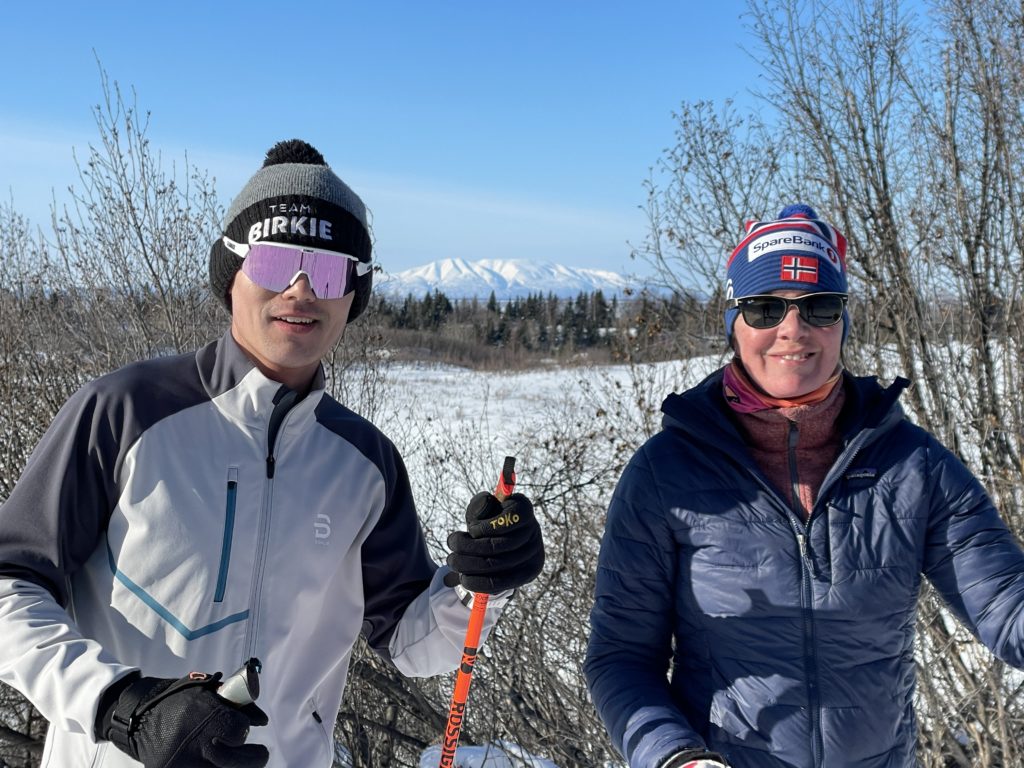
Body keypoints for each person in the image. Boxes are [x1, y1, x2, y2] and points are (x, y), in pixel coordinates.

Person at [0, 139, 544, 768]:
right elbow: (10, 585)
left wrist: (480, 584)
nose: (301, 288)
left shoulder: (365, 463)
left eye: (332, 269)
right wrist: (119, 705)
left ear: (354, 296)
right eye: (274, 260)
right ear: (230, 274)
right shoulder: (126, 413)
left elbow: (414, 646)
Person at [584, 204, 1024, 768]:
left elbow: (1008, 611)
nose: (792, 329)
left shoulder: (915, 467)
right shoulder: (666, 474)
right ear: (733, 325)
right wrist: (673, 756)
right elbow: (620, 657)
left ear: (842, 322)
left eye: (818, 306)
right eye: (765, 308)